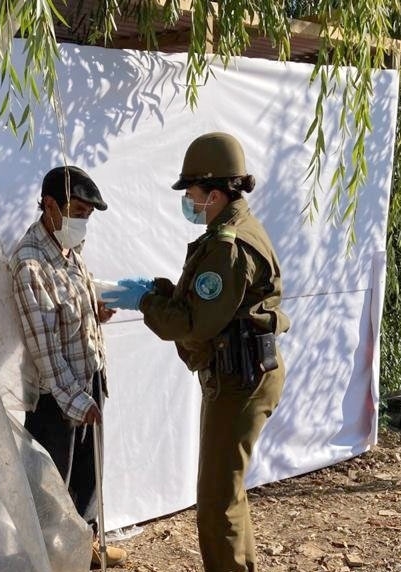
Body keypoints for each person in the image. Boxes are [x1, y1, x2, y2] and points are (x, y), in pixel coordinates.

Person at [102, 133, 290, 572]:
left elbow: (191, 324)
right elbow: (204, 306)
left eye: (192, 193)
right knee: (228, 494)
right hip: (241, 373)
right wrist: (159, 290)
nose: (188, 200)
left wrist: (145, 302)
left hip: (238, 380)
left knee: (216, 503)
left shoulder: (228, 247)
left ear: (216, 193)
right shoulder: (227, 233)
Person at [9, 165, 127, 568]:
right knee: (51, 487)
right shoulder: (29, 264)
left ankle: (86, 547)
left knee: (86, 482)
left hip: (88, 380)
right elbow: (44, 350)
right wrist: (76, 402)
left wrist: (96, 309)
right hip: (55, 398)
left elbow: (74, 305)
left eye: (88, 215)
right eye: (77, 210)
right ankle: (51, 561)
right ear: (49, 205)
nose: (82, 222)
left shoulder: (68, 249)